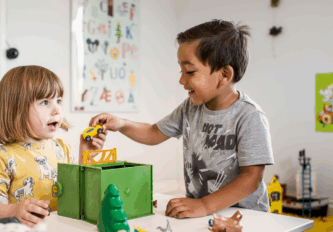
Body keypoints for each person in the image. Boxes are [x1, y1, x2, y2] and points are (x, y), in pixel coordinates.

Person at [89, 19, 274, 219]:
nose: (181, 80)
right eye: (181, 71)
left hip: (247, 218)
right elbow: (153, 133)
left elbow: (251, 177)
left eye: (190, 72)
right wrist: (122, 124)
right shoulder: (190, 108)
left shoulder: (249, 116)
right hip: (204, 215)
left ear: (224, 74)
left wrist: (204, 205)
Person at [0, 65, 107, 227]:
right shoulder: (2, 156)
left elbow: (77, 194)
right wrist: (13, 211)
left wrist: (84, 158)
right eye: (45, 102)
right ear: (17, 109)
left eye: (58, 101)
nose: (56, 110)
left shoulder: (63, 149)